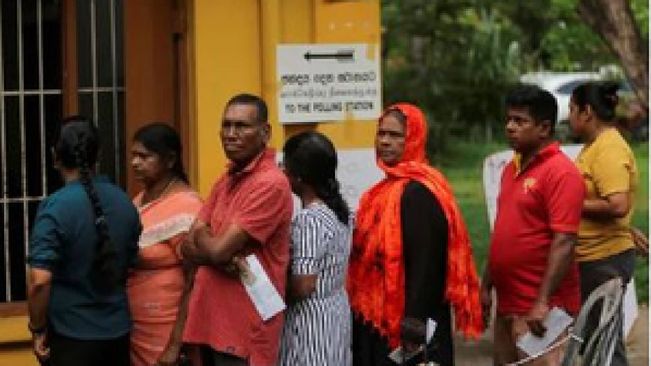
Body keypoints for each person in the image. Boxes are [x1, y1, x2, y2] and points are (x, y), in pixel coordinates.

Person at [348, 103, 483, 366]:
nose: (385, 142)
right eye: (381, 133)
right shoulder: (384, 190)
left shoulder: (419, 192)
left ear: (414, 138)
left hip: (411, 322)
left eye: (396, 136)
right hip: (383, 316)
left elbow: (427, 262)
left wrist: (414, 319)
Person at [181, 94, 293, 366]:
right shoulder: (227, 178)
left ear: (265, 132)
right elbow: (186, 246)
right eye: (226, 125)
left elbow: (215, 249)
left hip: (245, 328)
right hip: (210, 322)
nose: (230, 134)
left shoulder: (270, 183)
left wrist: (209, 244)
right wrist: (219, 253)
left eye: (241, 126)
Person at [482, 84, 585, 365]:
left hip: (542, 313)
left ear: (544, 128)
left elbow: (564, 241)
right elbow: (503, 232)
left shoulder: (561, 173)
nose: (510, 127)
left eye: (520, 121)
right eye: (509, 119)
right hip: (507, 306)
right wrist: (486, 285)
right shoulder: (509, 170)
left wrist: (542, 304)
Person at [27, 116, 141, 366]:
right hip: (117, 335)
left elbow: (39, 281)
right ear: (98, 155)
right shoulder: (126, 203)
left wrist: (37, 329)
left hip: (71, 337)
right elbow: (132, 264)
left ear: (55, 156)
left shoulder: (55, 208)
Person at [568, 81, 638, 366]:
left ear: (587, 112)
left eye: (572, 109)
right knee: (596, 340)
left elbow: (617, 204)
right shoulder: (594, 146)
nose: (569, 116)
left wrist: (567, 204)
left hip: (603, 258)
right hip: (592, 256)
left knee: (605, 344)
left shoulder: (609, 149)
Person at [127, 123, 203, 366]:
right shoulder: (140, 199)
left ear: (170, 160)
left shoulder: (186, 207)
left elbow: (196, 280)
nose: (135, 163)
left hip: (167, 332)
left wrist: (175, 344)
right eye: (133, 156)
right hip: (136, 329)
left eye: (144, 156)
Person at [278, 131, 353, 366]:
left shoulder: (309, 220)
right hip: (335, 313)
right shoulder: (341, 212)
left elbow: (304, 284)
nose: (281, 171)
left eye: (285, 166)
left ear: (299, 177)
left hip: (311, 323)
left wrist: (274, 296)